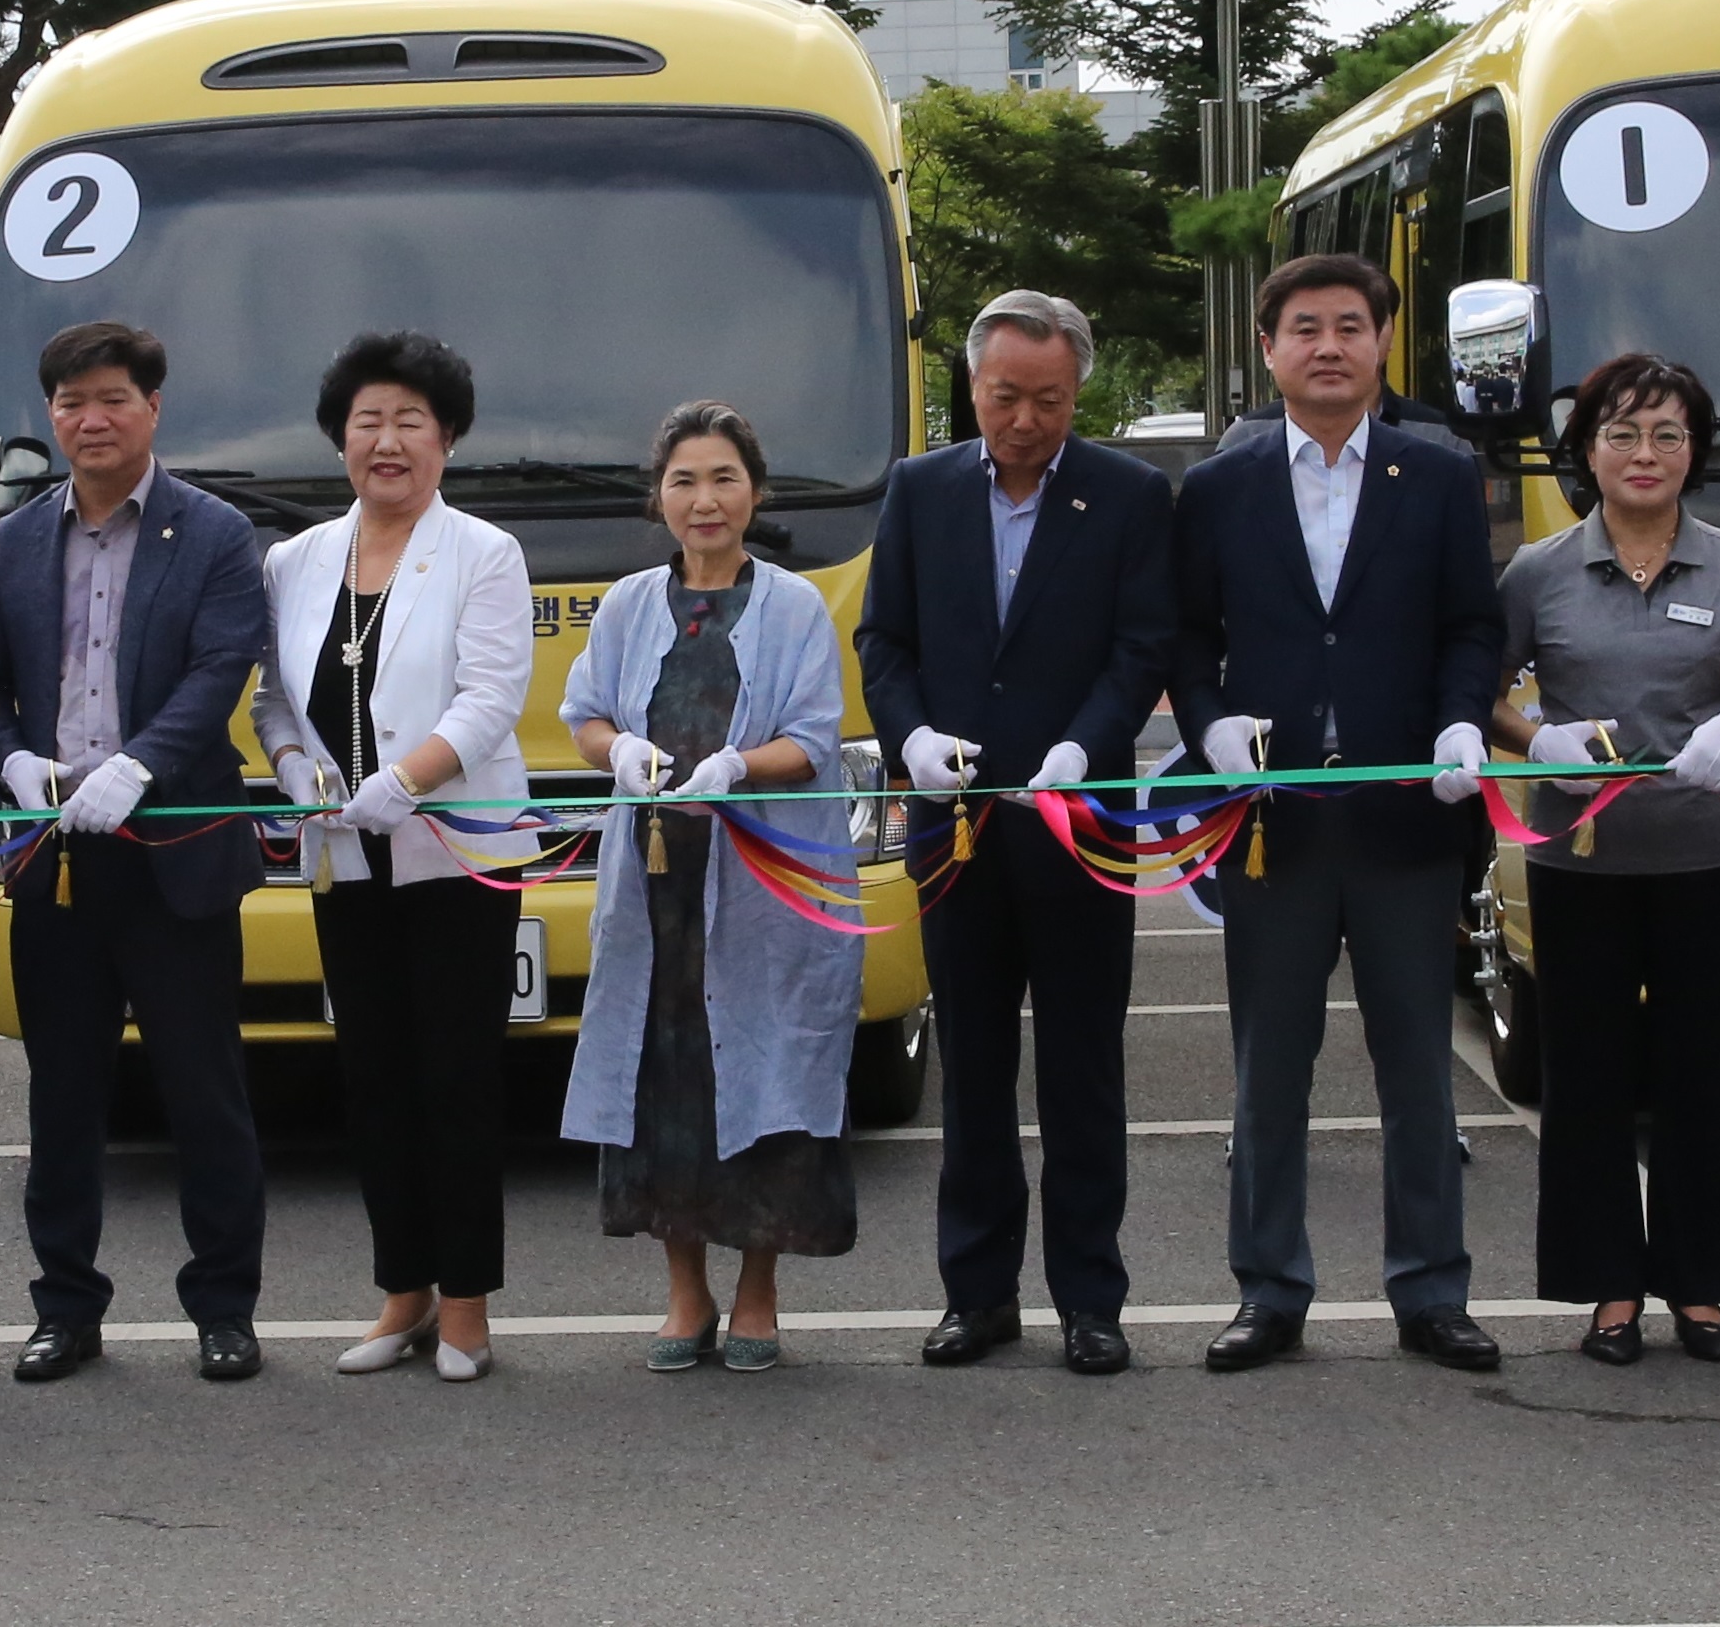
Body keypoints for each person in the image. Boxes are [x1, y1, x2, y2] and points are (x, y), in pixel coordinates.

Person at [1167, 252, 1513, 1375]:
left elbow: (1471, 624)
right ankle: (1268, 1289)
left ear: (1382, 343)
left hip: (1407, 812)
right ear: (1268, 348)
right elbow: (1185, 635)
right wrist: (1210, 722)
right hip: (1272, 820)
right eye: (1305, 327)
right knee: (1270, 1068)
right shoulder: (1220, 484)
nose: (1328, 345)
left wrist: (1460, 722)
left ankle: (1432, 1289)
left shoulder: (1438, 472)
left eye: (1350, 325)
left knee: (1418, 1066)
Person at [854, 288, 1174, 1376]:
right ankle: (977, 1292)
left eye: (1049, 399)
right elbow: (884, 640)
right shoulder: (921, 488)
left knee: (1083, 1069)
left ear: (1078, 391)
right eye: (1004, 397)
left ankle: (1091, 1297)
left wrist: (1085, 745)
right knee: (974, 1066)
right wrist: (909, 737)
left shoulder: (1129, 494)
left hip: (1080, 823)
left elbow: (1141, 646)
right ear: (973, 387)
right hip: (954, 827)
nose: (1025, 420)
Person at [0, 315, 277, 1385]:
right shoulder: (15, 539)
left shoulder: (215, 531)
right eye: (71, 402)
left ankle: (224, 1306)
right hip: (54, 855)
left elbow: (221, 665)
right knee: (62, 1096)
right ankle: (65, 1306)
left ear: (152, 407)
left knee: (204, 1091)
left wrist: (139, 764)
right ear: (50, 415)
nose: (90, 418)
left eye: (112, 398)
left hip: (175, 849)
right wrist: (9, 757)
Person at [250, 328, 539, 1382]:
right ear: (340, 437)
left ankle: (465, 1303)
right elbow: (273, 696)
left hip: (458, 851)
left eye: (410, 420)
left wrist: (407, 778)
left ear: (446, 436)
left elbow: (491, 695)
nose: (387, 440)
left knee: (456, 1073)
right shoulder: (294, 560)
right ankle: (402, 1288)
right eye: (367, 420)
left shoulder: (483, 551)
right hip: (344, 854)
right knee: (372, 1073)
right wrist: (292, 763)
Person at [1501, 351, 1720, 1365]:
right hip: (1578, 862)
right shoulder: (1538, 569)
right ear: (1586, 450)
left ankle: (1700, 1285)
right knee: (1586, 1073)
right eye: (1621, 432)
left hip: (1704, 855)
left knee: (1702, 1072)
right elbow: (1483, 694)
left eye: (1668, 433)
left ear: (1693, 450)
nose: (1645, 451)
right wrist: (1533, 735)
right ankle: (1609, 1288)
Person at [560, 401, 865, 1372]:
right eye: (684, 479)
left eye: (724, 478)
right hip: (657, 891)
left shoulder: (794, 604)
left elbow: (812, 737)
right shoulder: (626, 604)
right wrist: (621, 750)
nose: (705, 499)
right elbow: (584, 714)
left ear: (755, 493)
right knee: (667, 1082)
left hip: (763, 886)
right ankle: (684, 1291)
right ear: (659, 496)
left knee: (765, 1074)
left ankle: (758, 1289)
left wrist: (734, 765)